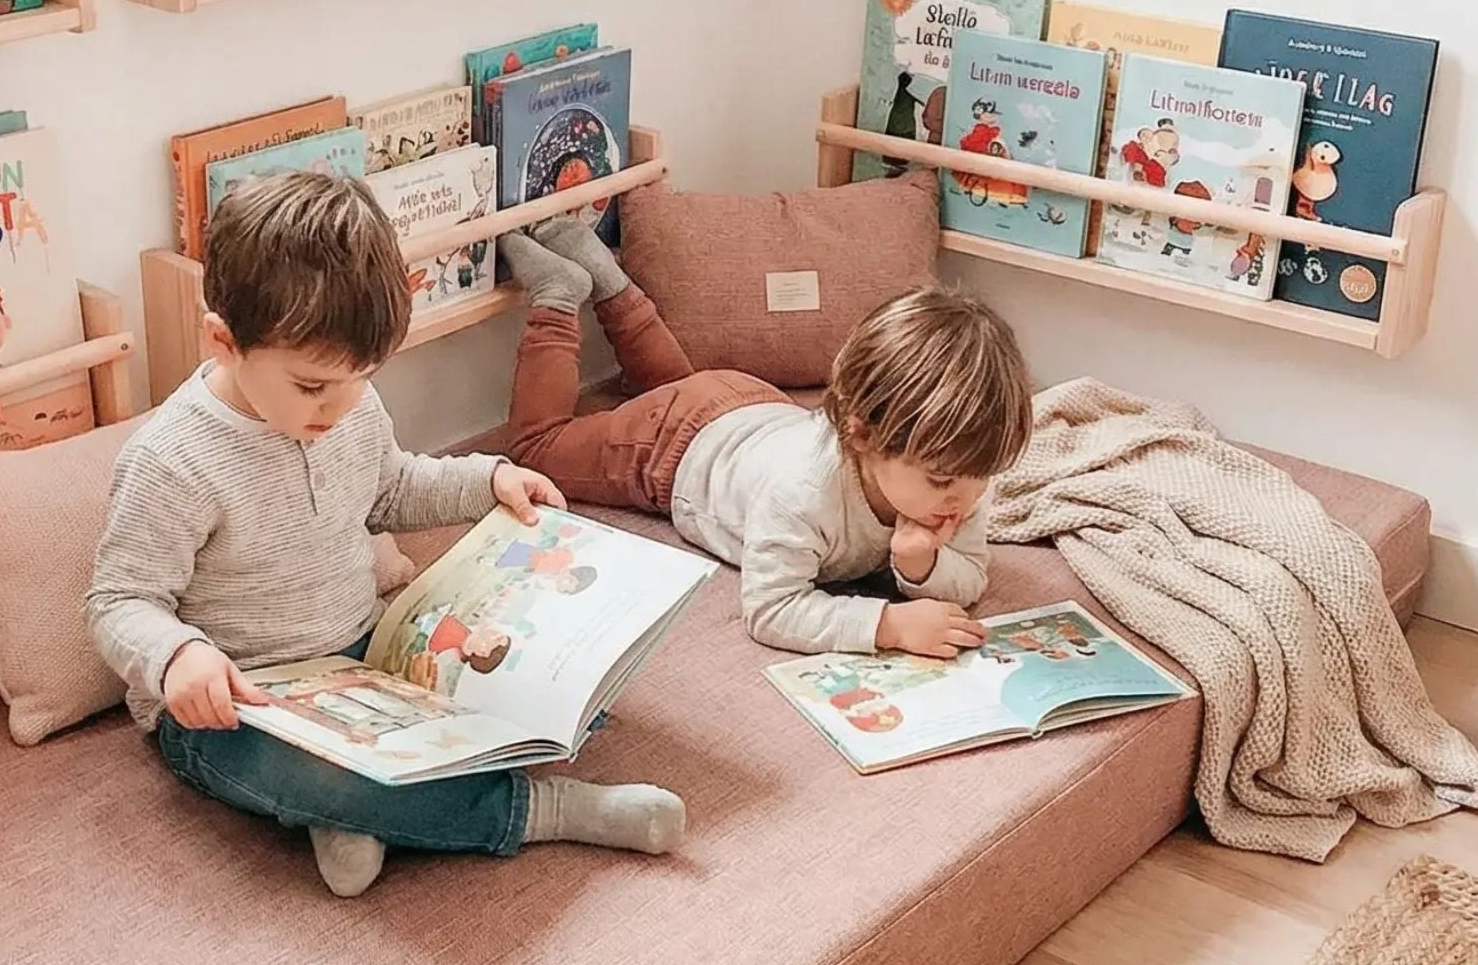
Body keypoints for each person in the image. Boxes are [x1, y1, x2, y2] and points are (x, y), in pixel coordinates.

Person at [85, 172, 687, 898]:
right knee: (308, 773)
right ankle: (535, 810)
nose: (339, 405)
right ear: (223, 342)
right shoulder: (172, 461)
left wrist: (488, 480)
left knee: (520, 666)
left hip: (365, 650)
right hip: (241, 702)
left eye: (362, 377)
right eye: (313, 386)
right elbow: (118, 602)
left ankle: (356, 814)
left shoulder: (350, 402)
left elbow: (392, 488)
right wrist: (178, 657)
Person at [497, 218, 1032, 657]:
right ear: (863, 436)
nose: (966, 497)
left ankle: (607, 279)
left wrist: (921, 566)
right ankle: (558, 295)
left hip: (753, 404)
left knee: (673, 384)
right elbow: (771, 608)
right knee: (537, 449)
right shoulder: (803, 494)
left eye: (984, 476)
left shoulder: (959, 475)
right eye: (941, 480)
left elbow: (972, 574)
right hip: (673, 444)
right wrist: (887, 625)